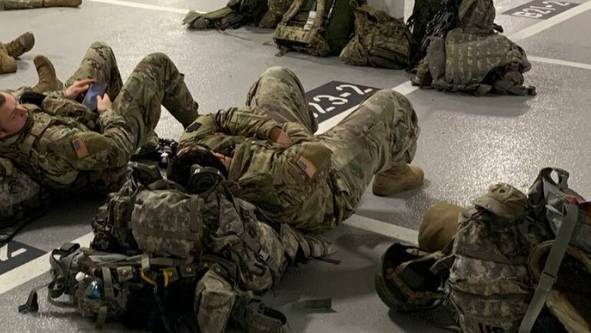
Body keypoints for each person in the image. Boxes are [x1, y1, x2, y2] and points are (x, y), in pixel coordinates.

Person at [167, 66, 423, 233]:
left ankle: (288, 128)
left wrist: (269, 129)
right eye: (220, 158)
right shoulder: (267, 178)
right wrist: (282, 131)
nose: (220, 152)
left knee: (275, 77)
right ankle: (394, 174)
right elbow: (314, 151)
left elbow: (217, 119)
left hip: (286, 152)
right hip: (326, 182)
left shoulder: (192, 152)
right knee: (392, 104)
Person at [0, 41, 200, 193]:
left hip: (76, 117)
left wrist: (63, 96)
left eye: (17, 105)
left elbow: (25, 103)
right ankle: (200, 131)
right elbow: (117, 149)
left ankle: (144, 134)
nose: (23, 110)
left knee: (100, 51)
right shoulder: (57, 143)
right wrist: (108, 112)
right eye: (14, 114)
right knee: (157, 64)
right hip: (106, 136)